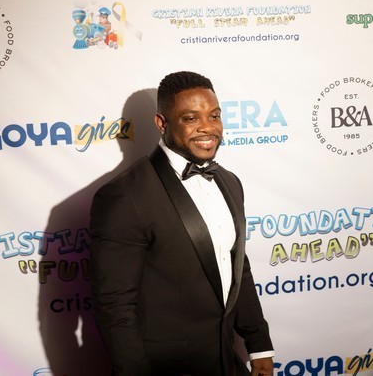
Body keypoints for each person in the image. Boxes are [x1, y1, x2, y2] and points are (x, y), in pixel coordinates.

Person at [90, 71, 274, 376]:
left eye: (214, 115)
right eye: (191, 118)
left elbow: (237, 268)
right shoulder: (124, 195)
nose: (208, 127)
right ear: (162, 123)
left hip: (225, 360)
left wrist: (259, 346)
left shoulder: (229, 182)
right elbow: (115, 308)